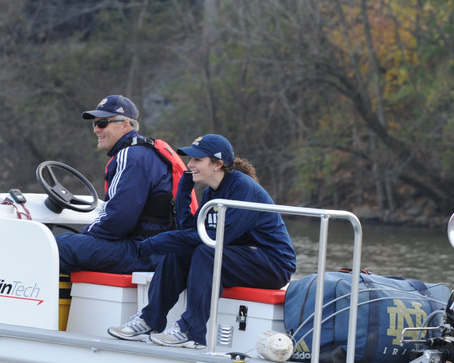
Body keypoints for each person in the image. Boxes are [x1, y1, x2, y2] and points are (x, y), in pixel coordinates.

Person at [108, 134, 296, 348]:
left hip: (273, 264)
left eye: (197, 159)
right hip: (241, 258)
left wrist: (151, 244)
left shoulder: (243, 189)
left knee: (206, 253)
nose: (190, 164)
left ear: (217, 164)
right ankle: (150, 320)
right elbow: (190, 231)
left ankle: (191, 331)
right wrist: (184, 190)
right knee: (179, 252)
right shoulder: (211, 193)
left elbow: (216, 238)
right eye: (190, 159)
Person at [55, 95, 178, 274]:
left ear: (125, 126)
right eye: (94, 124)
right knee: (74, 244)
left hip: (146, 251)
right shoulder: (145, 153)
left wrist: (86, 235)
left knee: (59, 246)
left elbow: (118, 221)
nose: (96, 130)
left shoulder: (131, 157)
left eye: (103, 123)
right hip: (158, 248)